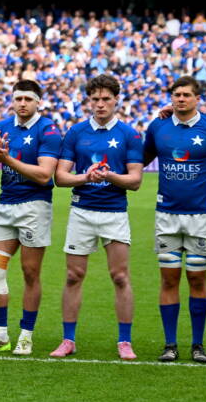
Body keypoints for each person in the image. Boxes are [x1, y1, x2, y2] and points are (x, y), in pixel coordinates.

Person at [143, 75, 206, 363]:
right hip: (166, 215)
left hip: (200, 216)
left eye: (186, 94)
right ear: (171, 98)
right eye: (176, 94)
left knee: (197, 279)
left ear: (198, 99)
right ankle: (170, 344)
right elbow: (138, 162)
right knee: (169, 278)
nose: (181, 98)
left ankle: (198, 344)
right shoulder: (158, 126)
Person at [51, 74, 144, 360]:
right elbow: (60, 177)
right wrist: (85, 177)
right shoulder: (77, 132)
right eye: (95, 99)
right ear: (88, 100)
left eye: (106, 99)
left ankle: (124, 341)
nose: (100, 104)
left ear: (117, 100)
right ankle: (68, 340)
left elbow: (136, 180)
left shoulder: (130, 134)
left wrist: (111, 176)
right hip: (82, 211)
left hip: (114, 213)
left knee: (119, 276)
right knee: (73, 275)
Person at [0, 79, 61, 356]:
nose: (22, 103)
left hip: (34, 207)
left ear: (38, 102)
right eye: (18, 98)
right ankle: (0, 336)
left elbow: (45, 175)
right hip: (5, 208)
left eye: (28, 99)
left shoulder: (48, 129)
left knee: (30, 272)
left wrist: (7, 159)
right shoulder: (2, 127)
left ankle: (26, 335)